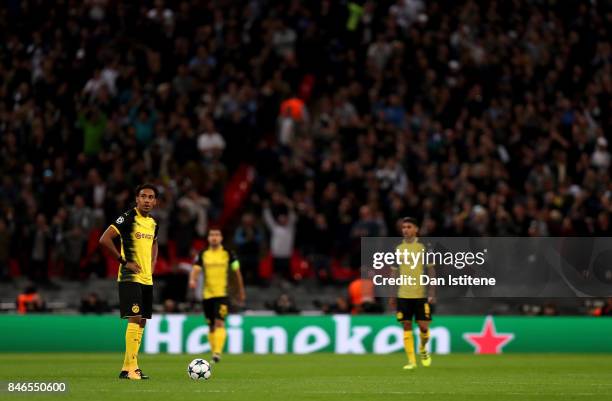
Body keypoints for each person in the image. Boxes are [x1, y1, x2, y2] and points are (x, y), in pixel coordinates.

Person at [99, 184, 159, 380]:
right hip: (129, 276)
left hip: (146, 278)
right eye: (143, 196)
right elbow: (105, 239)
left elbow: (155, 242)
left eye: (151, 197)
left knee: (142, 321)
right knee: (135, 318)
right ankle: (132, 369)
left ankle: (128, 368)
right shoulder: (127, 218)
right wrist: (124, 261)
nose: (147, 200)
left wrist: (153, 262)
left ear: (155, 201)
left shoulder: (153, 224)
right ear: (137, 199)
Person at [189, 228, 246, 363]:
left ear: (221, 238)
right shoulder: (203, 254)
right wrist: (193, 280)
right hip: (207, 295)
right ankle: (214, 351)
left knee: (220, 322)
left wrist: (241, 291)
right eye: (212, 235)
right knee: (211, 325)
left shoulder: (228, 254)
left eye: (217, 235)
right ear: (208, 238)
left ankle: (217, 353)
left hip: (223, 294)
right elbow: (196, 269)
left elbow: (236, 272)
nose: (214, 237)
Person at [390, 217, 435, 370]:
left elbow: (431, 270)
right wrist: (392, 294)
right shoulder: (398, 249)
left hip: (420, 294)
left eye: (409, 226)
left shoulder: (424, 247)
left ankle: (422, 348)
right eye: (404, 227)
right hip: (403, 294)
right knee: (406, 325)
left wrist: (432, 292)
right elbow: (394, 273)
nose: (405, 230)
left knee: (423, 327)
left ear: (416, 229)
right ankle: (411, 361)